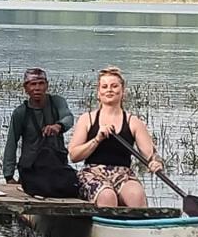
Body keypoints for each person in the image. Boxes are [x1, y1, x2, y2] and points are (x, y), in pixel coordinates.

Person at [68, 66, 163, 207]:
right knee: (107, 196)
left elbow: (150, 154)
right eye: (104, 86)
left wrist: (155, 162)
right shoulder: (86, 119)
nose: (109, 90)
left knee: (136, 196)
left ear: (122, 91)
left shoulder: (134, 122)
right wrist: (97, 139)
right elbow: (74, 156)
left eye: (114, 86)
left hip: (123, 173)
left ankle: (137, 226)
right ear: (98, 93)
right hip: (93, 173)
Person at [2, 68, 75, 193]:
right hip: (31, 169)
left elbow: (68, 118)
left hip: (56, 167)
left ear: (47, 85)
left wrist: (58, 126)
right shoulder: (21, 112)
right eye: (33, 84)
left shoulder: (57, 102)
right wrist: (9, 176)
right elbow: (11, 143)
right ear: (26, 88)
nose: (37, 88)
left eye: (41, 83)